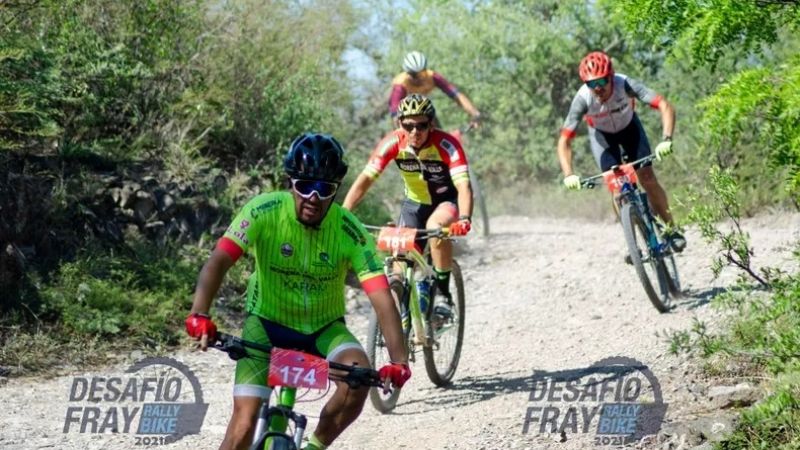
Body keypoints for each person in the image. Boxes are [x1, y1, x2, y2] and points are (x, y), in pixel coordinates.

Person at [185, 133, 411, 450]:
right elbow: (218, 261)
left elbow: (381, 296)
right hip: (265, 324)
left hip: (323, 328)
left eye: (325, 189)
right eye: (305, 186)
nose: (314, 197)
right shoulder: (263, 211)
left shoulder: (350, 229)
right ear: (290, 182)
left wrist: (399, 360)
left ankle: (314, 446)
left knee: (357, 376)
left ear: (336, 190)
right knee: (244, 424)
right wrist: (199, 313)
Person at [343, 94, 473, 321]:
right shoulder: (392, 143)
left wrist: (464, 218)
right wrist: (343, 213)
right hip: (414, 204)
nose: (415, 132)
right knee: (400, 259)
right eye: (408, 125)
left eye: (422, 125)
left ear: (431, 124)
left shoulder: (447, 145)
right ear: (399, 123)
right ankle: (401, 315)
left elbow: (463, 186)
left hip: (445, 202)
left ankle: (443, 296)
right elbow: (364, 181)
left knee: (435, 227)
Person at [557, 50, 686, 252]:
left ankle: (671, 229)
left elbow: (663, 104)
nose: (597, 88)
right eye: (591, 84)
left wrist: (666, 139)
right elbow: (564, 140)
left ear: (611, 76)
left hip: (629, 129)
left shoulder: (624, 84)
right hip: (602, 137)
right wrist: (568, 174)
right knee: (617, 189)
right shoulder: (582, 99)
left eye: (601, 81)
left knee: (647, 178)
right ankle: (633, 245)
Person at [389, 51, 481, 129]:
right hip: (405, 113)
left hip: (423, 110)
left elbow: (456, 95)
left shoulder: (432, 76)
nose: (419, 78)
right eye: (414, 75)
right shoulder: (400, 84)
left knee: (431, 119)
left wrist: (475, 113)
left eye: (422, 73)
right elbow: (395, 115)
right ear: (407, 73)